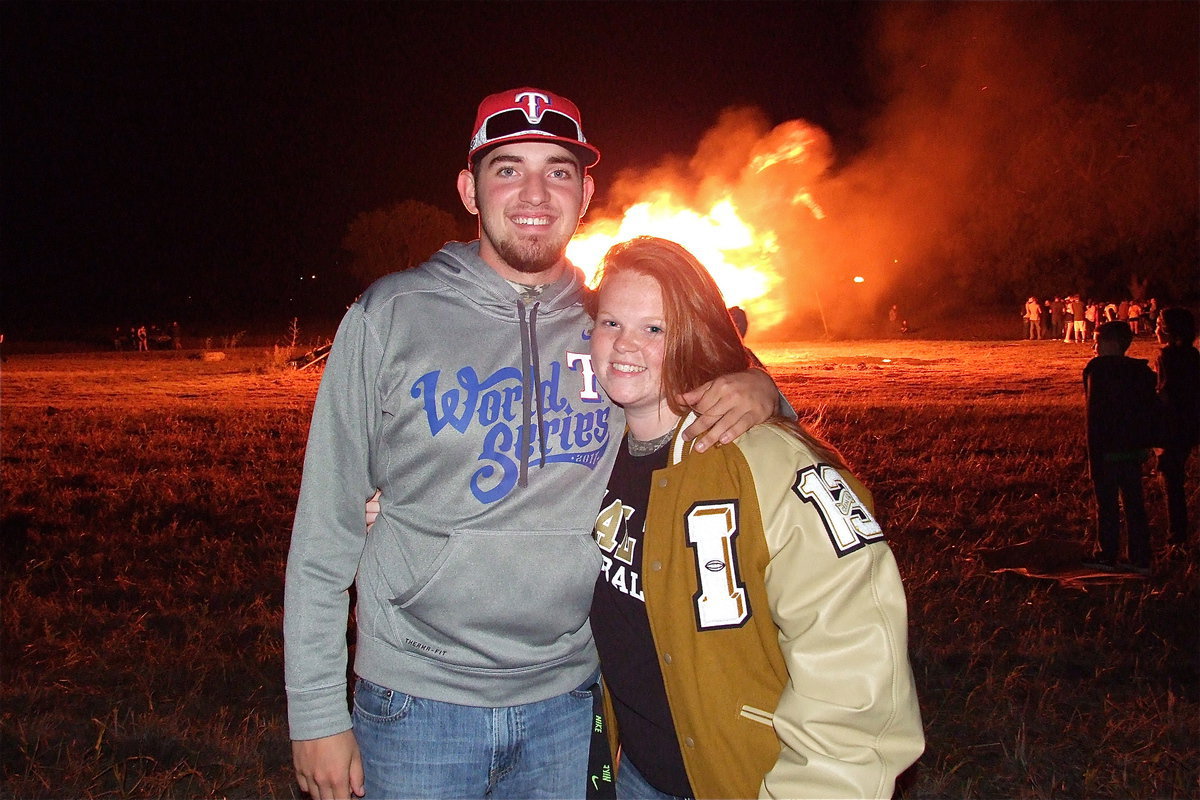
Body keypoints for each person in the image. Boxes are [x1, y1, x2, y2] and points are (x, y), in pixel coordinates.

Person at [284, 87, 783, 800]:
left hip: (568, 699)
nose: (534, 193)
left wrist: (761, 388)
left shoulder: (615, 319)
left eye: (558, 170)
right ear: (469, 188)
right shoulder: (389, 316)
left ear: (585, 194)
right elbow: (324, 528)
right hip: (416, 704)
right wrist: (314, 715)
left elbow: (731, 390)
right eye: (507, 168)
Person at [584, 237, 924, 799]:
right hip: (636, 778)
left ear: (695, 335)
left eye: (654, 329)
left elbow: (856, 661)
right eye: (611, 322)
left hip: (752, 783)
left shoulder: (771, 463)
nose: (624, 345)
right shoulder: (593, 456)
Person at [1081, 321, 1159, 574]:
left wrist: (1094, 455)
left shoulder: (1098, 370)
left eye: (1096, 341)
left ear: (1109, 343)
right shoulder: (1141, 372)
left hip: (1107, 449)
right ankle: (1140, 557)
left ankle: (1107, 554)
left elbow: (1096, 415)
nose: (1093, 346)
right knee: (1134, 502)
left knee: (1107, 504)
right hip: (1133, 449)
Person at [1153, 307, 1199, 545]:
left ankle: (1177, 537)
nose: (1156, 327)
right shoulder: (1193, 354)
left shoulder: (1167, 356)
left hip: (1172, 427)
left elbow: (1166, 393)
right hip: (1190, 424)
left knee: (1171, 480)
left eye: (1159, 323)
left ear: (1169, 330)